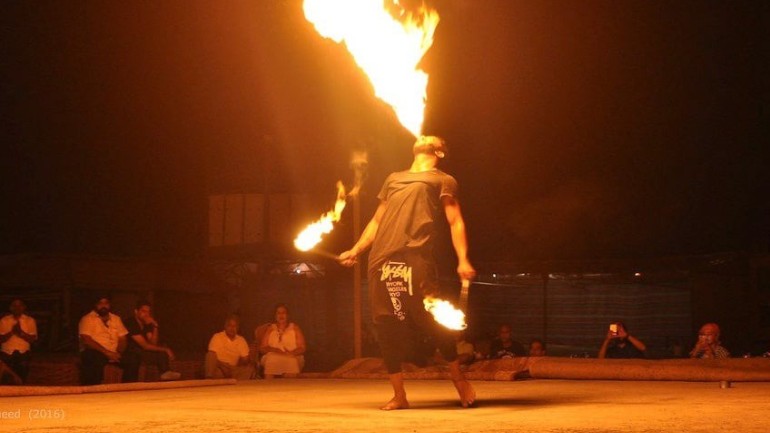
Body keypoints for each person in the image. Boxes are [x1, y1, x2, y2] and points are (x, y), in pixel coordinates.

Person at [339, 135, 477, 410]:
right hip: (381, 260)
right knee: (386, 326)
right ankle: (399, 395)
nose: (424, 135)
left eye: (432, 138)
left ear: (439, 150)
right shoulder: (393, 178)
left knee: (432, 319)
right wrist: (356, 250)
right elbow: (377, 220)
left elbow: (455, 220)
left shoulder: (443, 180)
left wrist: (463, 258)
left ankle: (459, 379)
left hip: (416, 256)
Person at [122, 300, 181, 382]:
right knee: (162, 350)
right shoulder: (130, 322)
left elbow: (153, 343)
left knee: (161, 352)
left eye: (148, 312)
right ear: (136, 311)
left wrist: (155, 326)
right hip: (130, 352)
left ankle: (165, 373)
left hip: (142, 352)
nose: (146, 314)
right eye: (143, 311)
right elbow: (145, 346)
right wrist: (166, 349)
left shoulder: (146, 323)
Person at [78, 295, 128, 385]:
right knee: (94, 359)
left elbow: (123, 338)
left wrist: (118, 352)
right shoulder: (87, 319)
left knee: (133, 359)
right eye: (100, 303)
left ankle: (128, 389)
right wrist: (107, 353)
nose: (103, 306)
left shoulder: (116, 319)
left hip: (114, 352)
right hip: (96, 351)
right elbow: (86, 339)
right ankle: (94, 389)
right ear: (95, 305)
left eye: (106, 303)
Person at [259, 303, 306, 378]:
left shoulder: (295, 328)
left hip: (292, 356)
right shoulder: (270, 329)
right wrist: (274, 350)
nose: (281, 315)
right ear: (275, 316)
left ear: (288, 315)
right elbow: (262, 348)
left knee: (291, 361)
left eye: (283, 313)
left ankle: (291, 388)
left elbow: (302, 347)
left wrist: (292, 353)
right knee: (271, 360)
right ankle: (268, 387)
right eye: (278, 313)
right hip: (273, 356)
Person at [205, 315, 254, 380]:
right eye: (229, 326)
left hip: (232, 369)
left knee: (249, 370)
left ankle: (232, 380)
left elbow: (245, 359)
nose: (232, 328)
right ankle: (209, 380)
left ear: (238, 328)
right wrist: (223, 367)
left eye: (234, 326)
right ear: (225, 326)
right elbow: (211, 357)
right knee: (210, 356)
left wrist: (247, 359)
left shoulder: (241, 340)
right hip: (219, 367)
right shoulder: (217, 337)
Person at [0, 298, 37, 383]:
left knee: (22, 376)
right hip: (6, 353)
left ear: (24, 307)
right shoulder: (4, 321)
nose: (17, 308)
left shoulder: (30, 321)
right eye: (14, 305)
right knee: (5, 378)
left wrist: (21, 333)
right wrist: (12, 332)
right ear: (10, 308)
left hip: (23, 353)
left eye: (20, 305)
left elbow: (32, 339)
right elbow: (1, 339)